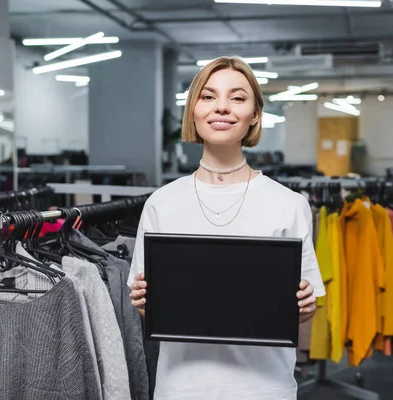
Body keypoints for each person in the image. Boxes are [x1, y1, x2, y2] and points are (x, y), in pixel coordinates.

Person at [128, 56, 325, 400]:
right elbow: (152, 311)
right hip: (181, 389)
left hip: (265, 389)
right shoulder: (161, 202)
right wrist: (147, 305)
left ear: (255, 115)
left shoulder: (290, 204)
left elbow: (302, 311)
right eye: (208, 97)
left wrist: (305, 307)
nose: (222, 108)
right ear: (193, 111)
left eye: (237, 98)